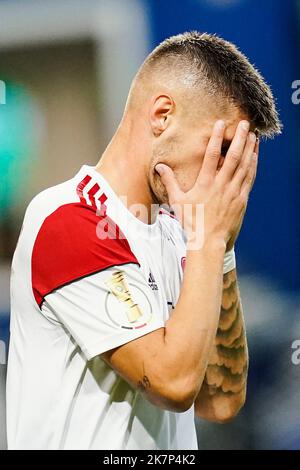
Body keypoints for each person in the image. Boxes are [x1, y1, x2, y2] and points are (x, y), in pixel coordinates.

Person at [6, 31, 281, 450]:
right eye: (222, 148)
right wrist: (209, 240)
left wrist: (221, 252)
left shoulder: (180, 233)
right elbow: (172, 382)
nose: (228, 174)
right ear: (162, 115)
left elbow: (220, 401)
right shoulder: (69, 219)